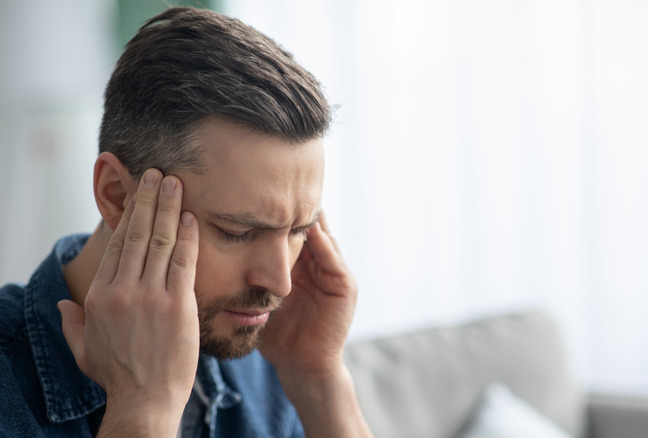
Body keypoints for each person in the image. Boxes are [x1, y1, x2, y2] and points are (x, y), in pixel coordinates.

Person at [0, 7, 373, 437]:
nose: (279, 284)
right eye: (237, 231)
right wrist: (143, 409)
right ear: (117, 196)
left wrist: (320, 382)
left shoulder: (265, 360)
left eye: (297, 231)